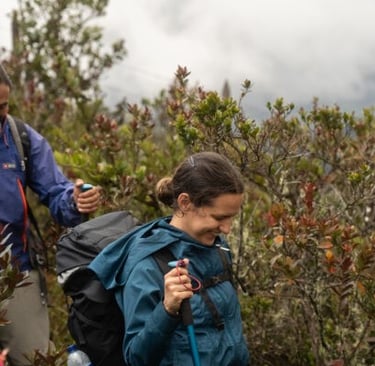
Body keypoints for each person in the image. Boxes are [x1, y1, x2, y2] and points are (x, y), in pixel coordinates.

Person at [90, 151, 250, 365]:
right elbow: (136, 358)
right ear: (185, 202)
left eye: (231, 217)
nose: (227, 229)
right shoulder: (147, 267)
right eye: (219, 217)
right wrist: (167, 310)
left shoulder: (219, 248)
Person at [0, 63, 101, 366]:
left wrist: (75, 200)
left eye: (3, 105)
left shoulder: (20, 139)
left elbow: (56, 193)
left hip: (16, 272)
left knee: (35, 359)